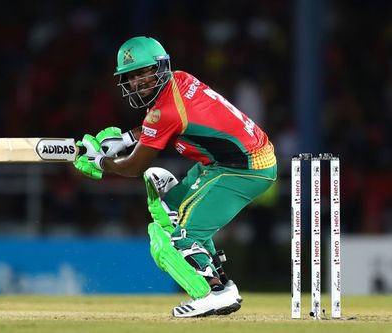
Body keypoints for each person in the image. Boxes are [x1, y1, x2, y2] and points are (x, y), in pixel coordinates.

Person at [73, 36, 277, 317]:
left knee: (181, 231)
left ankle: (213, 292)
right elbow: (158, 124)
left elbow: (134, 167)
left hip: (244, 168)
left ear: (160, 68)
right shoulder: (179, 81)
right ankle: (222, 287)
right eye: (130, 77)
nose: (137, 83)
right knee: (166, 214)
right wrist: (124, 138)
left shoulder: (165, 111)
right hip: (224, 161)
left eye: (143, 73)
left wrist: (104, 162)